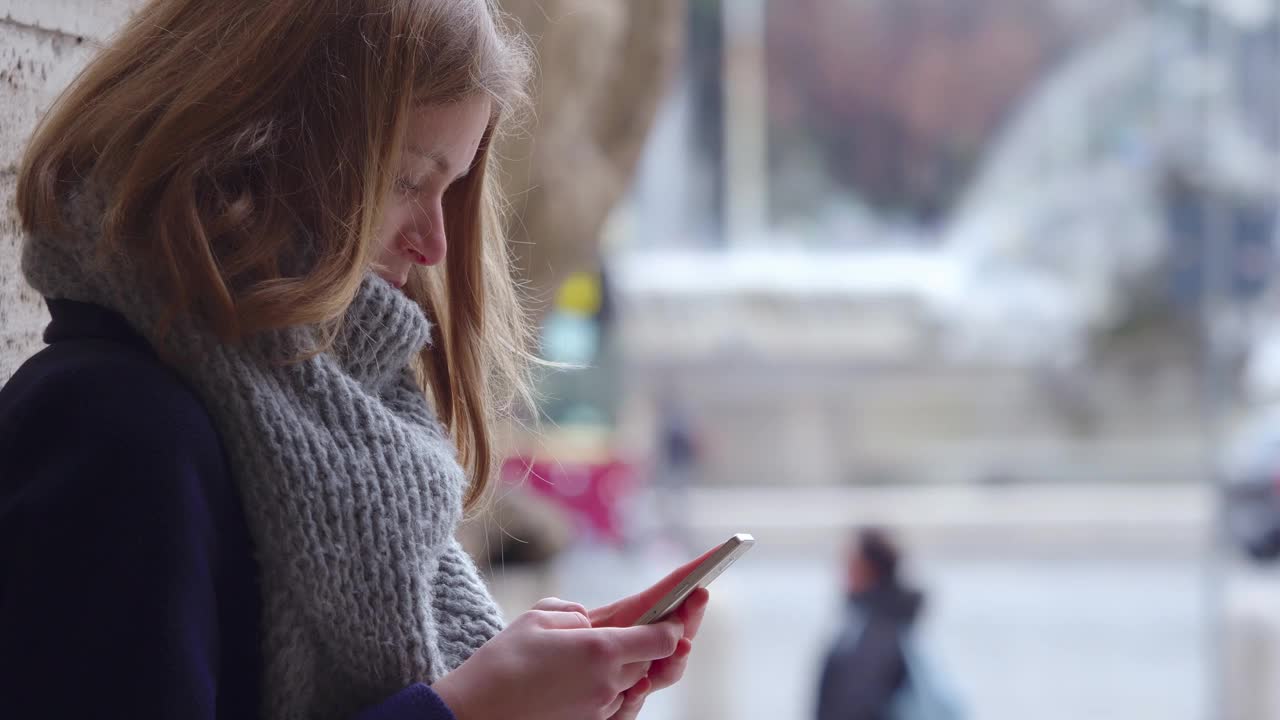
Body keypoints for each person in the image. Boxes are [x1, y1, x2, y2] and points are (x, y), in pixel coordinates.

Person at [0, 1, 709, 719]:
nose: (434, 243)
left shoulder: (352, 425)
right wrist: (468, 710)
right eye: (405, 181)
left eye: (451, 188)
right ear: (256, 145)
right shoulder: (113, 433)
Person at [815, 528, 960, 720]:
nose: (843, 574)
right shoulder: (900, 626)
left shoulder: (873, 634)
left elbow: (856, 706)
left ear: (867, 570)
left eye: (850, 565)